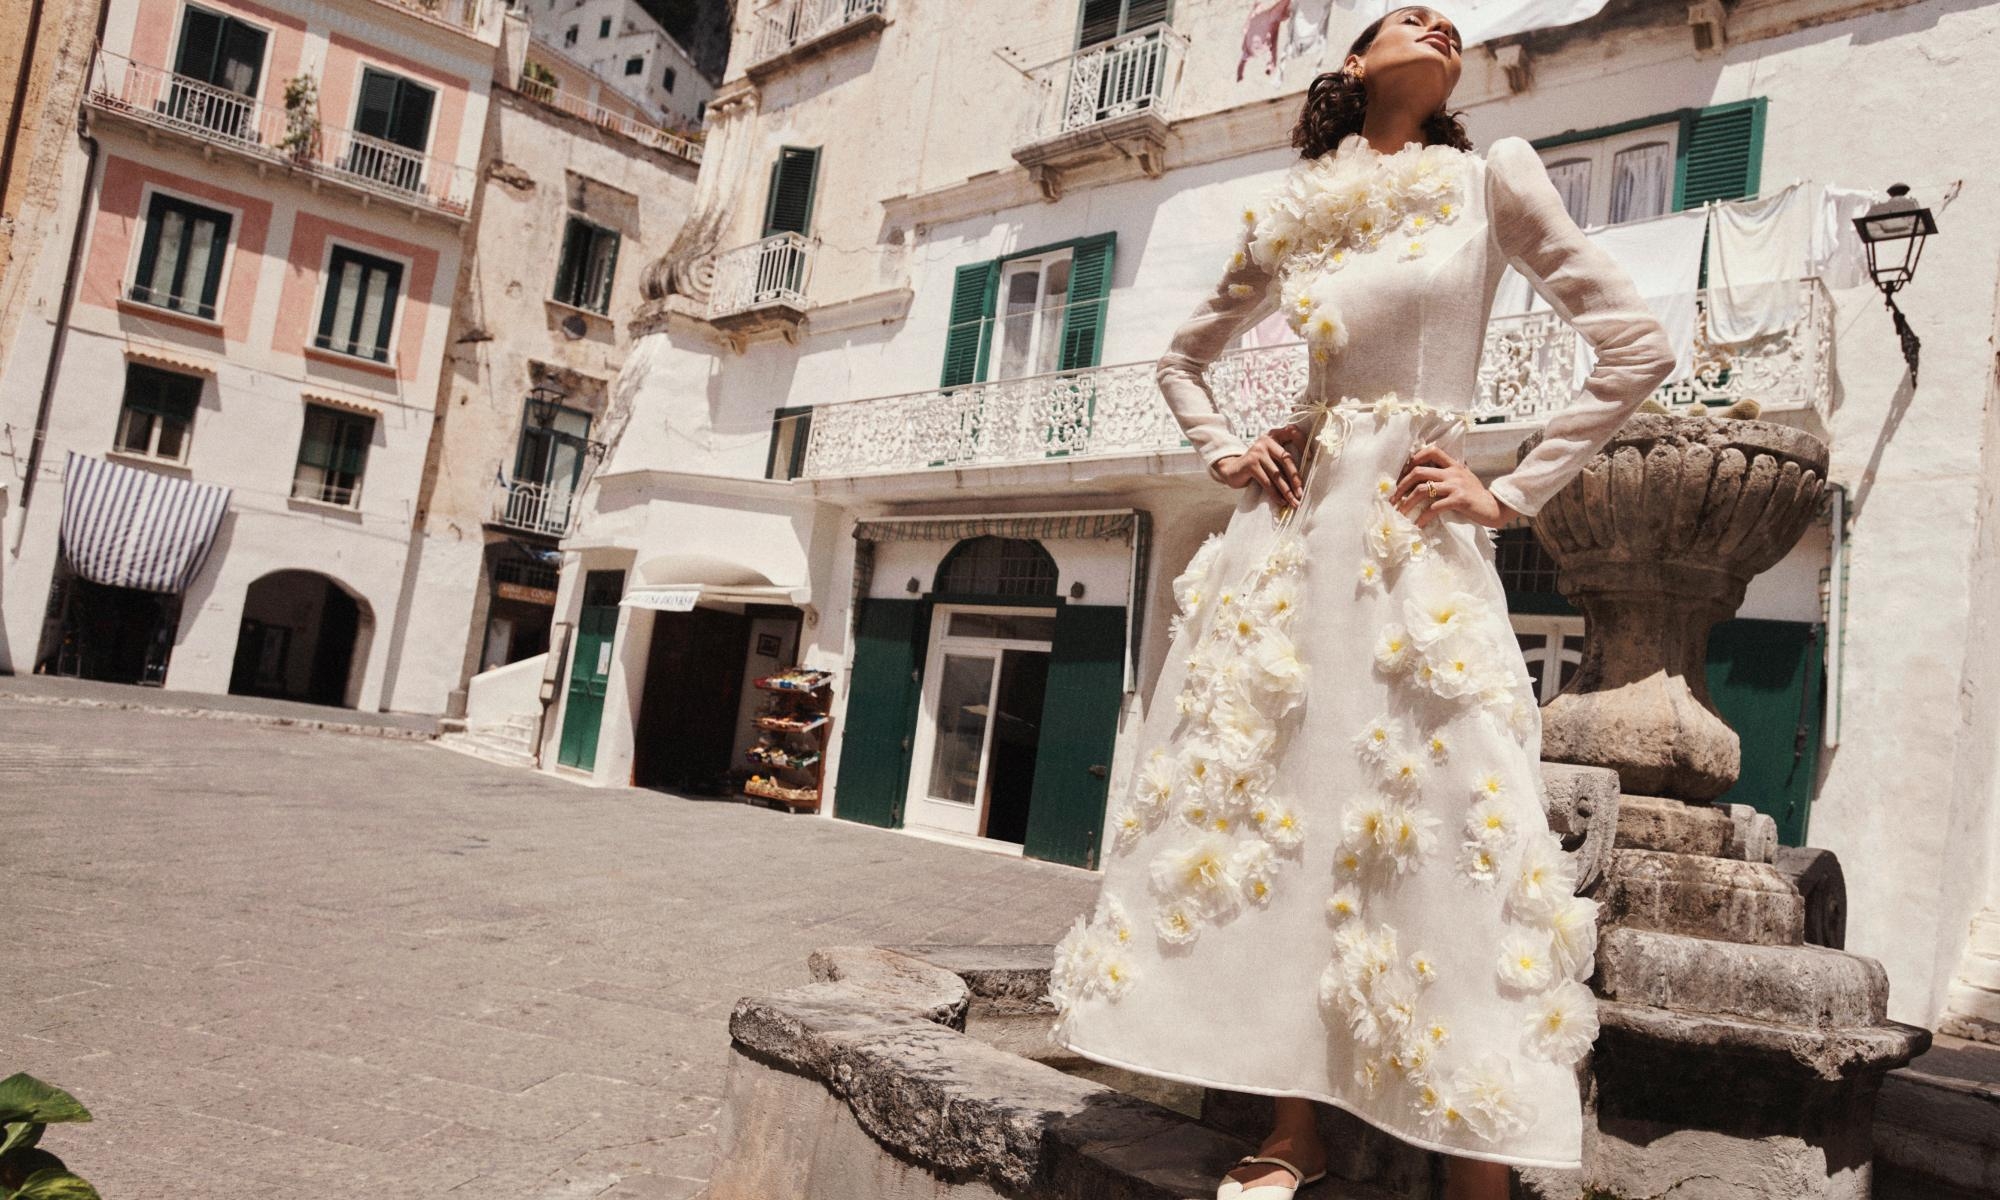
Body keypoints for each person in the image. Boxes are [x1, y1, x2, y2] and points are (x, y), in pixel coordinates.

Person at [1041, 7, 1677, 1200]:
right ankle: (1294, 1127)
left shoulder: (1490, 176)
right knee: (1289, 810)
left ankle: (1476, 1154)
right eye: (1402, 13)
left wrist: (1512, 487)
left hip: (1409, 543)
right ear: (1350, 62)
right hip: (1289, 547)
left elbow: (1631, 344)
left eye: (1446, 18)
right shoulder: (1289, 209)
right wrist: (1229, 449)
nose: (1437, 17)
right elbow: (1180, 360)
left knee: (1452, 813)